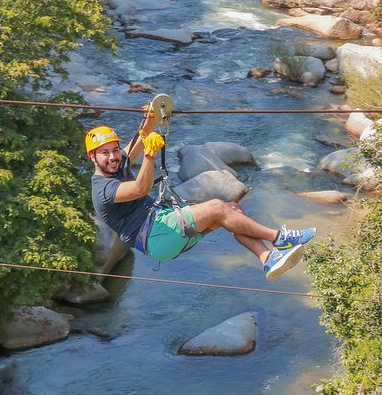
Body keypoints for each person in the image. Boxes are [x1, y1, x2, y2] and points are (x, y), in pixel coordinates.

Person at [86, 116, 316, 281]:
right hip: (156, 235)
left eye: (115, 150)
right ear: (92, 157)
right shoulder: (103, 190)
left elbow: (140, 137)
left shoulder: (116, 163)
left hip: (164, 227)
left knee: (231, 209)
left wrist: (152, 116)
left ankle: (267, 258)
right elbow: (140, 188)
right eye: (104, 153)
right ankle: (280, 237)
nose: (113, 157)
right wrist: (149, 155)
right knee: (217, 207)